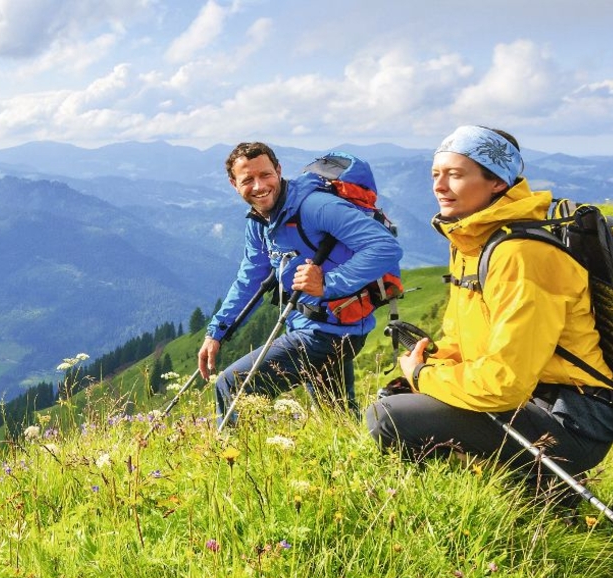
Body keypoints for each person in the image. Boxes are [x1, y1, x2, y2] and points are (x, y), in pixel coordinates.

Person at [366, 125, 613, 501]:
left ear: (497, 182)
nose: (439, 186)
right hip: (534, 400)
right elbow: (465, 339)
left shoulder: (522, 255)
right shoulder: (474, 240)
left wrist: (425, 376)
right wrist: (432, 364)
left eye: (456, 174)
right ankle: (533, 495)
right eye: (436, 174)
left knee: (388, 418)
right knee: (398, 396)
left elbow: (504, 384)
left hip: (571, 421)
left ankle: (529, 489)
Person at [197, 142, 403, 425]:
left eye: (266, 175)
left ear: (279, 171)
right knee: (337, 419)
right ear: (234, 184)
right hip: (317, 327)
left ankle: (233, 461)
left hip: (330, 332)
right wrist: (217, 332)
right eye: (248, 180)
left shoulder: (316, 207)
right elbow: (250, 279)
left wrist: (328, 284)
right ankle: (367, 461)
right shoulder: (260, 221)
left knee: (232, 386)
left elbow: (385, 248)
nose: (259, 186)